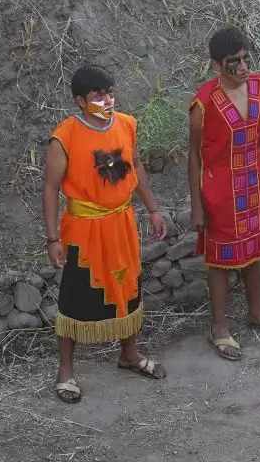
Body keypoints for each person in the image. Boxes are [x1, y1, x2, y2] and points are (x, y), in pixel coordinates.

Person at [44, 63, 169, 403]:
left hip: (122, 224)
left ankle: (129, 354)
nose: (107, 99)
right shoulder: (64, 137)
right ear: (80, 100)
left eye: (110, 92)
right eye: (99, 95)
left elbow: (136, 166)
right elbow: (51, 187)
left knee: (128, 289)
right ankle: (66, 371)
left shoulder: (127, 124)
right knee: (75, 296)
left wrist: (153, 209)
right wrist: (53, 238)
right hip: (83, 232)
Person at [190, 27, 260, 359]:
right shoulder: (204, 103)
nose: (244, 67)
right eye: (235, 61)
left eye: (247, 58)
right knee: (220, 262)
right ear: (217, 66)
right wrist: (197, 205)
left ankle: (257, 312)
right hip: (220, 193)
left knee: (256, 250)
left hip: (256, 182)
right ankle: (219, 328)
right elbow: (194, 157)